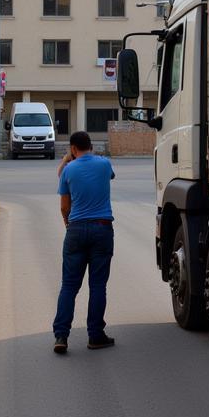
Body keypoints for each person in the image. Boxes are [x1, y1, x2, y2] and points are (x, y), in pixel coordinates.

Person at [52, 131, 116, 354]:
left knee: (69, 286)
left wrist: (68, 224)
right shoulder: (104, 164)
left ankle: (61, 335)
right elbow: (108, 175)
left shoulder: (68, 169)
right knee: (98, 285)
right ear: (91, 145)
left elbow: (64, 206)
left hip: (77, 230)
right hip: (102, 228)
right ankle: (95, 336)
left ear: (72, 148)